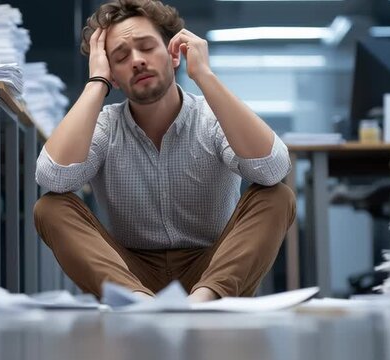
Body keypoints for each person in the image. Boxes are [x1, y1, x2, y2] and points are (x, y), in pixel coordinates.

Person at [34, 0, 295, 303]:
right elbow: (53, 179)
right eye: (121, 56)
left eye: (146, 47)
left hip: (213, 270)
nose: (137, 61)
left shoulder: (211, 118)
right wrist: (96, 84)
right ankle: (140, 304)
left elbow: (274, 169)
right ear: (113, 75)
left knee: (278, 195)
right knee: (50, 207)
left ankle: (202, 304)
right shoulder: (105, 125)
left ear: (173, 54)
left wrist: (205, 76)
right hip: (132, 275)